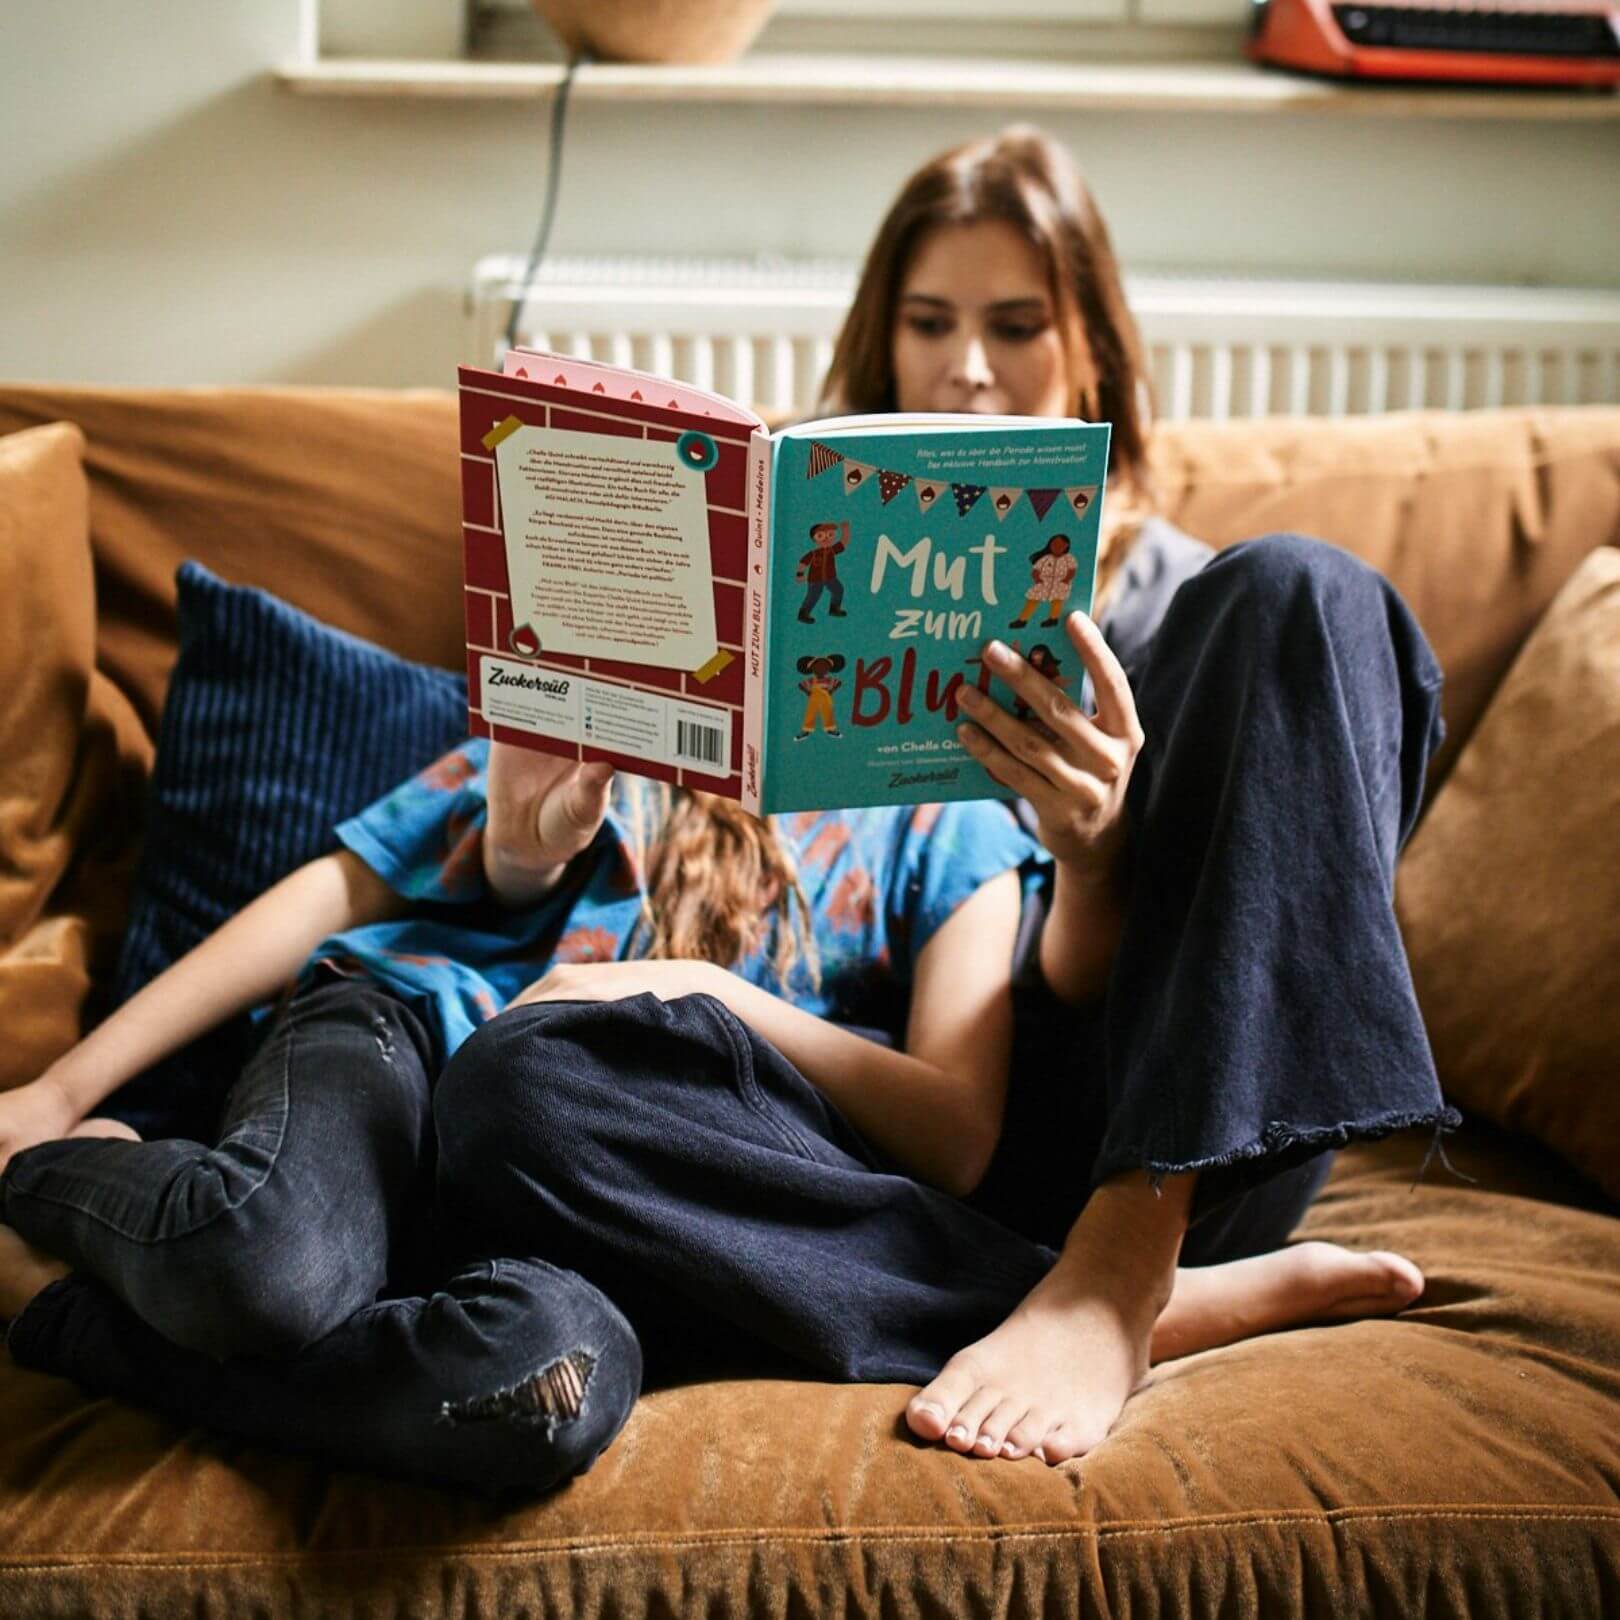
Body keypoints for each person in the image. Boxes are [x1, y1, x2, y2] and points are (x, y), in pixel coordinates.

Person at [0, 124, 1457, 1487]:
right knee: (515, 1110)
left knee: (1307, 592)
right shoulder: (685, 698)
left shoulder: (1176, 622)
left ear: (1092, 352)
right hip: (669, 1129)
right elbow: (417, 878)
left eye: (1017, 326)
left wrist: (1091, 853)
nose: (967, 371)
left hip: (1153, 1125)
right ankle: (1086, 1289)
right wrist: (529, 860)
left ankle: (1127, 1263)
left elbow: (1013, 1056)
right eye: (931, 323)